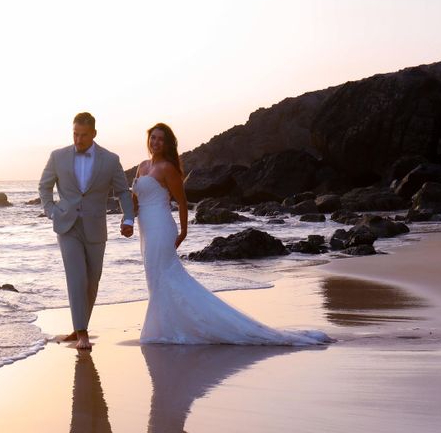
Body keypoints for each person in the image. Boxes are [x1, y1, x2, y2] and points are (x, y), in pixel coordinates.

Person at [132, 123, 332, 345]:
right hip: (146, 229)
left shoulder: (168, 168)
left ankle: (167, 328)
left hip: (161, 227)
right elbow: (134, 199)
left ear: (167, 143)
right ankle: (165, 325)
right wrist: (127, 220)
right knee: (154, 276)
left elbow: (181, 202)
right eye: (153, 138)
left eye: (161, 139)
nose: (156, 142)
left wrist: (184, 231)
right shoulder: (142, 167)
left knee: (165, 275)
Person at [39, 112, 135, 350]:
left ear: (93, 133)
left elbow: (123, 191)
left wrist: (129, 217)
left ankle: (78, 326)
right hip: (67, 225)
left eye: (83, 135)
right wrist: (51, 210)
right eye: (75, 134)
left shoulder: (110, 160)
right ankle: (82, 333)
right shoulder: (57, 156)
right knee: (77, 277)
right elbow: (44, 186)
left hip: (95, 227)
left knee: (92, 282)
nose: (78, 139)